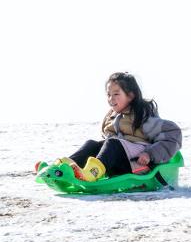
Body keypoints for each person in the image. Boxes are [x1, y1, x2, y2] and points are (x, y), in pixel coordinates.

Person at [53, 72, 182, 181]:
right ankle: (65, 167)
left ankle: (91, 173)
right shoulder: (112, 117)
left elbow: (173, 134)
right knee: (92, 144)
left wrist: (149, 154)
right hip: (118, 162)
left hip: (138, 164)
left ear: (130, 96)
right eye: (108, 94)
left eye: (116, 94)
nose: (111, 99)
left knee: (112, 143)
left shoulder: (143, 116)